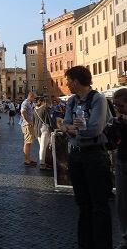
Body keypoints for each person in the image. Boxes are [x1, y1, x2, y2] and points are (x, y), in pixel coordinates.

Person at [60, 66, 112, 248]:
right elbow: (64, 126)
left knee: (99, 205)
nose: (65, 84)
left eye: (67, 81)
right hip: (76, 157)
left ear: (75, 81)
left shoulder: (98, 99)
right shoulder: (72, 101)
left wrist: (74, 130)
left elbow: (95, 129)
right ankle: (85, 244)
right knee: (82, 204)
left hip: (95, 156)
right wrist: (73, 128)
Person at [112, 88, 127, 249]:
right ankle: (125, 237)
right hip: (121, 160)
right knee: (121, 203)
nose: (118, 109)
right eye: (116, 106)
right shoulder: (119, 120)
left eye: (121, 106)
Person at [33, 97, 52, 170]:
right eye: (45, 101)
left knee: (42, 146)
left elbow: (33, 121)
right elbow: (49, 120)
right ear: (42, 101)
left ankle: (45, 162)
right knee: (43, 147)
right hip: (44, 128)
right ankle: (42, 164)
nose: (45, 103)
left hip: (37, 129)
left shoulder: (34, 109)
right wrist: (51, 128)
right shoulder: (45, 108)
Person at [20, 92, 38, 166]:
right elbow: (23, 112)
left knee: (28, 143)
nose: (35, 99)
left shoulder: (30, 103)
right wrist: (28, 121)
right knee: (27, 142)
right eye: (34, 98)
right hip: (27, 125)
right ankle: (27, 160)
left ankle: (28, 159)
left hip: (29, 124)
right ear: (30, 96)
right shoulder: (25, 103)